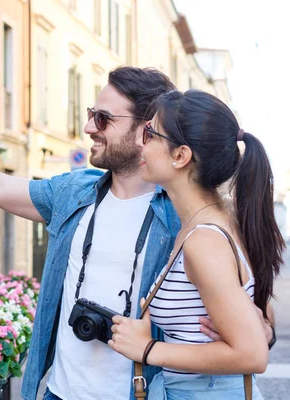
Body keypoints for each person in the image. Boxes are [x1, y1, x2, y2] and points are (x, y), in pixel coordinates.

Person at [0, 67, 273, 400]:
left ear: (145, 131)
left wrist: (260, 329)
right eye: (91, 113)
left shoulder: (189, 216)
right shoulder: (75, 192)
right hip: (60, 391)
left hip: (145, 391)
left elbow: (255, 312)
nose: (88, 127)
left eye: (103, 118)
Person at [108, 89, 283, 399]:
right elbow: (258, 314)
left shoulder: (204, 239)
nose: (139, 141)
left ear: (180, 156)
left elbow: (252, 354)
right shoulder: (220, 219)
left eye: (150, 133)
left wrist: (149, 349)